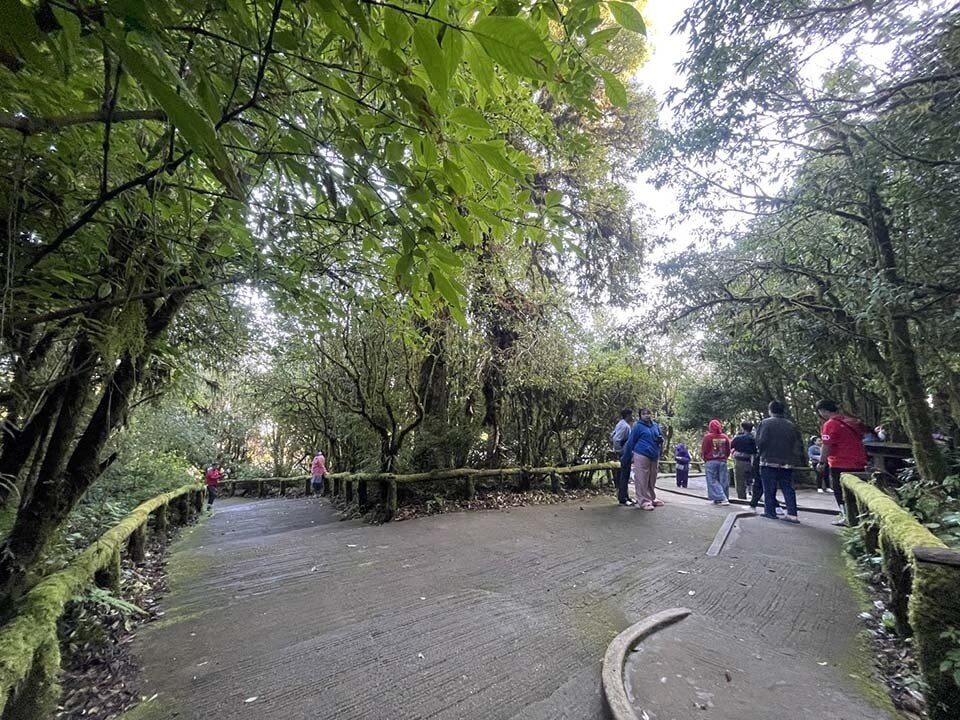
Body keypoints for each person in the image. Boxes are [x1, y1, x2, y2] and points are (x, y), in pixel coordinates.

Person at [816, 399, 869, 525]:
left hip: (840, 463)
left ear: (823, 411)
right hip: (859, 461)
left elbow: (826, 445)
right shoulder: (850, 421)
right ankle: (862, 516)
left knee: (840, 491)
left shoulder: (830, 424)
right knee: (858, 490)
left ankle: (847, 517)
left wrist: (822, 462)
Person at [755, 401, 805, 523]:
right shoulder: (791, 425)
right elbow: (798, 443)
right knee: (788, 487)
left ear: (770, 409)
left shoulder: (765, 423)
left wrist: (760, 453)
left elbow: (761, 441)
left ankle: (770, 512)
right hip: (787, 461)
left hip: (768, 460)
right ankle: (792, 514)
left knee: (769, 488)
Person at [622, 408, 664, 511]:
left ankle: (651, 498)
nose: (647, 415)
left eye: (648, 413)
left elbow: (659, 437)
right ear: (640, 416)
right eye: (644, 414)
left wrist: (660, 440)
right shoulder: (638, 427)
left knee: (652, 477)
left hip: (654, 454)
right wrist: (626, 456)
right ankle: (643, 501)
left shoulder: (655, 425)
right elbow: (631, 442)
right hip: (641, 453)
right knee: (642, 478)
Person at [701, 419, 731, 505]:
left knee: (712, 480)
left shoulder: (708, 437)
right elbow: (728, 450)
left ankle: (722, 498)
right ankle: (720, 498)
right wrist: (725, 457)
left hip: (711, 461)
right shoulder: (725, 437)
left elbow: (704, 449)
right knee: (723, 480)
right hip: (722, 461)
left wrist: (704, 457)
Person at [611, 409, 635, 505]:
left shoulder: (620, 424)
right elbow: (616, 439)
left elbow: (612, 434)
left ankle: (626, 496)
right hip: (624, 453)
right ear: (628, 415)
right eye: (631, 415)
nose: (632, 417)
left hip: (626, 452)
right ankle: (622, 498)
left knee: (625, 474)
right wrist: (620, 451)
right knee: (624, 475)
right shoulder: (624, 426)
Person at [730, 421, 757, 500]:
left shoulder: (738, 438)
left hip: (739, 461)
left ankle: (742, 499)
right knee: (751, 480)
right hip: (752, 461)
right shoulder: (754, 439)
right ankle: (753, 496)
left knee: (740, 482)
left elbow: (731, 446)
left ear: (742, 428)